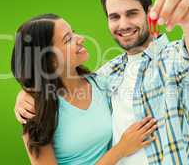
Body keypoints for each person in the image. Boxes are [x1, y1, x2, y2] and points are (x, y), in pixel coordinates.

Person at [15, 0, 189, 165]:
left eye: (132, 13)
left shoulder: (172, 60)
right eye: (114, 16)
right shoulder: (108, 74)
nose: (123, 24)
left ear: (149, 13)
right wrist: (28, 93)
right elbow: (62, 84)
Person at [11, 13, 158, 165]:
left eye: (73, 32)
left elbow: (141, 61)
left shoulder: (101, 83)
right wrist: (121, 149)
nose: (81, 39)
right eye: (68, 39)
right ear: (49, 59)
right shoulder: (35, 111)